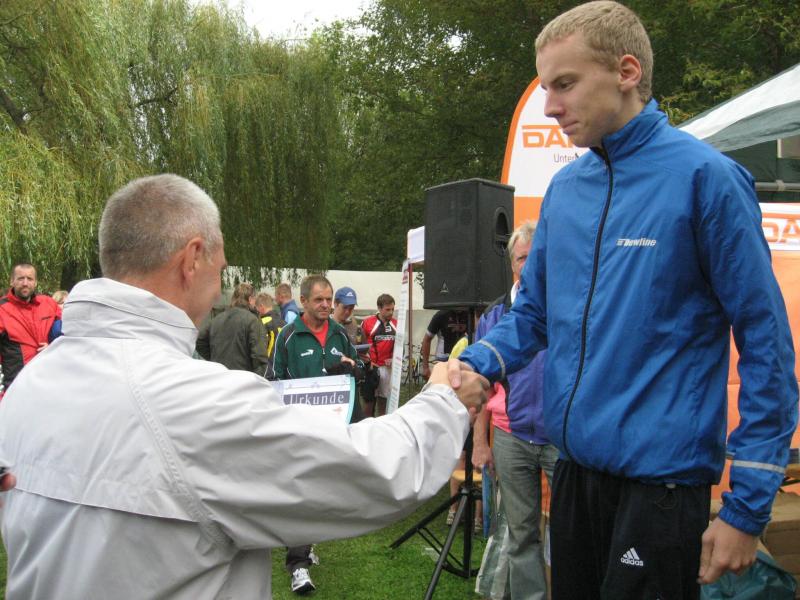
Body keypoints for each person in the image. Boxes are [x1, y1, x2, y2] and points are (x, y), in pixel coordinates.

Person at [0, 174, 489, 599]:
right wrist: (444, 400)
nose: (219, 282)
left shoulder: (30, 385)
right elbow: (375, 472)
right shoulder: (193, 401)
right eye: (221, 266)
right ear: (193, 258)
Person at [449, 3, 798, 599]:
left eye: (564, 84)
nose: (551, 106)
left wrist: (746, 508)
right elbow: (532, 316)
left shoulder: (706, 178)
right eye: (546, 88)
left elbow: (767, 344)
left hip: (661, 489)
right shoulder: (566, 189)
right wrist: (476, 364)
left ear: (627, 72)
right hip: (575, 475)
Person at [471, 221, 557, 600]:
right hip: (511, 435)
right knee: (521, 533)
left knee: (571, 531)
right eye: (522, 258)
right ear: (512, 265)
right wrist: (480, 442)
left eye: (536, 257)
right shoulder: (495, 315)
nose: (530, 265)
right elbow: (482, 387)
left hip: (562, 438)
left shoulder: (569, 307)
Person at [272, 274, 365, 593]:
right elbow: (273, 381)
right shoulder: (287, 336)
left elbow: (360, 371)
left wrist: (352, 368)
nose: (326, 305)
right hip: (301, 430)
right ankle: (298, 565)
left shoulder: (340, 333)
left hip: (334, 429)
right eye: (319, 300)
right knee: (302, 492)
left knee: (323, 490)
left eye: (328, 299)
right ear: (303, 302)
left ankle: (306, 542)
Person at [0, 263, 62, 396]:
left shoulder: (48, 303)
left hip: (49, 381)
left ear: (35, 282)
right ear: (12, 281)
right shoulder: (2, 309)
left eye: (29, 279)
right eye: (20, 278)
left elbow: (69, 332)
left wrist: (54, 346)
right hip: (17, 386)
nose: (25, 283)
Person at [196, 282, 270, 376]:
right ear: (250, 299)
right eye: (254, 300)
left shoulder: (217, 319)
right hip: (243, 378)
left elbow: (199, 340)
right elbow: (259, 357)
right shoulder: (253, 321)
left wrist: (215, 359)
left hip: (220, 376)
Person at [361, 293, 397, 417]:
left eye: (392, 309)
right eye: (387, 309)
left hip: (387, 369)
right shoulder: (367, 323)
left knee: (383, 403)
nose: (391, 312)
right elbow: (361, 345)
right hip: (371, 368)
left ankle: (382, 425)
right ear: (379, 308)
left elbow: (400, 346)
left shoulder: (396, 324)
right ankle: (367, 425)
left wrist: (393, 358)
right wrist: (367, 361)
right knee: (369, 403)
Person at [420, 308, 468, 380]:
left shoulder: (469, 313)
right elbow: (427, 339)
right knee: (442, 384)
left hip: (463, 357)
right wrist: (425, 367)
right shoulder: (441, 315)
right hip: (443, 359)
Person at [255, 292, 285, 368]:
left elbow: (259, 349)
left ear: (261, 306)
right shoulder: (284, 322)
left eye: (256, 308)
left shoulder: (261, 323)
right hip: (282, 366)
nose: (256, 311)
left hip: (268, 367)